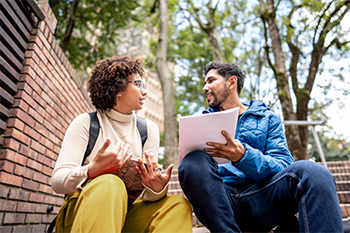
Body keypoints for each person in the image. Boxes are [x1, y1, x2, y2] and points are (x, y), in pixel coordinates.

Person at [178, 61, 344, 232]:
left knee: (314, 171)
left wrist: (244, 157)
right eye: (205, 82)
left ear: (231, 82)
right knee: (191, 162)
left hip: (261, 198)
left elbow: (284, 165)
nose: (205, 87)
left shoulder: (268, 119)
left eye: (211, 80)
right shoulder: (199, 124)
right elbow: (192, 174)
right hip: (221, 204)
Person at [52, 56, 192, 233]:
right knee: (110, 183)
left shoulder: (148, 130)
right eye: (138, 84)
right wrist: (91, 170)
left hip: (124, 216)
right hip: (79, 215)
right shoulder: (86, 123)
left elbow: (147, 197)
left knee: (177, 206)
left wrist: (156, 188)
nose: (145, 92)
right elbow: (57, 181)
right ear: (118, 88)